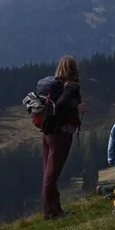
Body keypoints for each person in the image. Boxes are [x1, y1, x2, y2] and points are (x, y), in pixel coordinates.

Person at [34, 55, 83, 220]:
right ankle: (52, 213)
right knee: (52, 173)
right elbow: (61, 105)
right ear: (74, 69)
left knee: (47, 172)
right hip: (60, 134)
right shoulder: (72, 87)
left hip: (48, 132)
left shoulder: (55, 85)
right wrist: (76, 109)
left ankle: (53, 210)